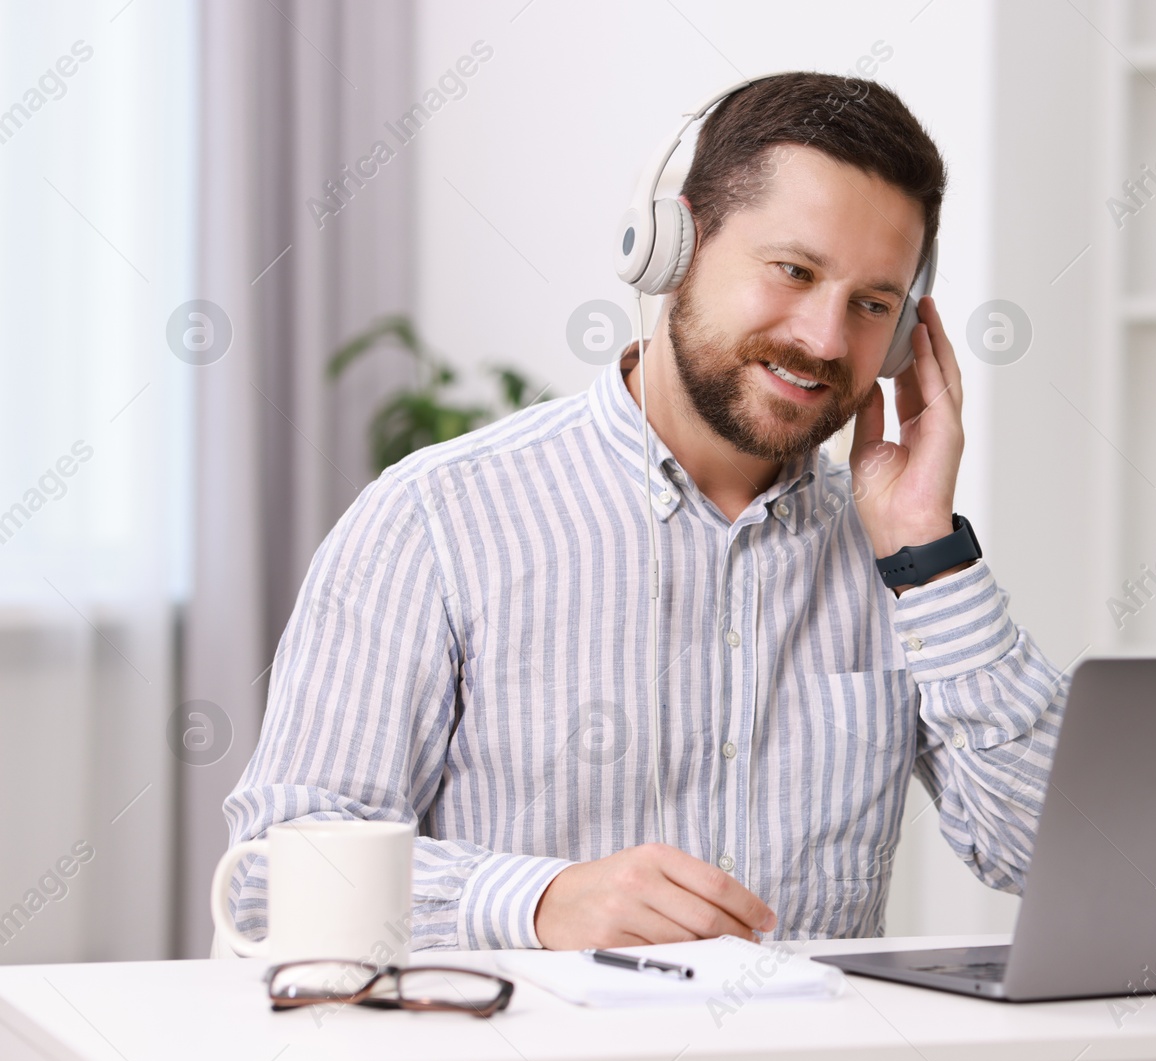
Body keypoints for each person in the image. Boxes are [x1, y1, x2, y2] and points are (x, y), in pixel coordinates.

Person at [223, 72, 1065, 952]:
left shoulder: (899, 559)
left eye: (871, 304)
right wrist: (538, 901)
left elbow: (1044, 850)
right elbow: (270, 881)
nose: (823, 337)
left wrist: (931, 554)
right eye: (793, 270)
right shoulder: (435, 519)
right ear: (672, 247)